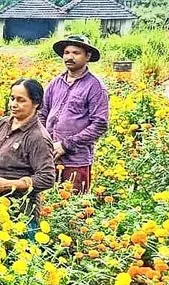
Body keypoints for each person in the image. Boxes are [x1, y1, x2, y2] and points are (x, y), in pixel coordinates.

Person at [0, 79, 56, 231]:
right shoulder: (3, 123)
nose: (13, 104)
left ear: (36, 103)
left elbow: (47, 178)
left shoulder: (37, 137)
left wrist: (9, 184)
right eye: (12, 98)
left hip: (17, 210)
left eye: (21, 100)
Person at [39, 35, 109, 195]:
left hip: (76, 161)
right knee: (47, 203)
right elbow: (42, 113)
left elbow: (99, 124)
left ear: (88, 56)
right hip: (49, 157)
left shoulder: (95, 86)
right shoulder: (55, 83)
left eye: (76, 53)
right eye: (66, 52)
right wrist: (45, 142)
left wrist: (65, 145)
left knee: (73, 210)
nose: (69, 57)